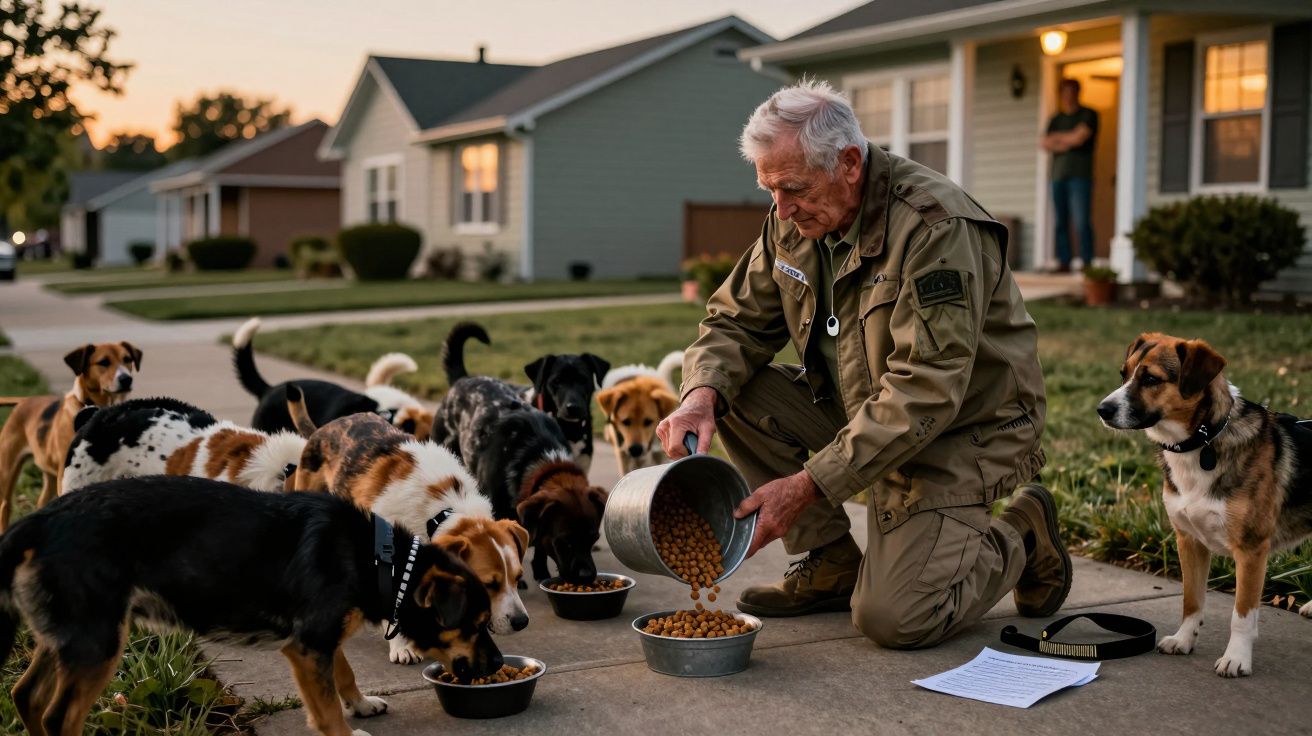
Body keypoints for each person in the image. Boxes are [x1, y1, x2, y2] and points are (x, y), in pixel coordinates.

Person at [656, 80, 1070, 650]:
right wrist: (698, 396)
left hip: (960, 431)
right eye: (769, 190)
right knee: (731, 391)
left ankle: (1021, 533)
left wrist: (805, 485)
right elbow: (735, 323)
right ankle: (830, 563)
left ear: (849, 163)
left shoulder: (934, 229)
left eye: (793, 188)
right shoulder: (794, 218)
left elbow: (925, 390)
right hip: (863, 408)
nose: (780, 209)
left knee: (895, 620)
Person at [1041, 78, 1098, 273]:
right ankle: (1064, 261)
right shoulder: (1055, 119)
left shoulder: (1088, 114)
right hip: (1058, 176)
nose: (1067, 96)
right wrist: (1068, 140)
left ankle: (1087, 261)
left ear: (1077, 93)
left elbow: (1080, 138)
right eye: (1064, 92)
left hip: (1080, 176)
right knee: (1061, 220)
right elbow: (1045, 143)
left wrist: (1060, 139)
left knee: (1081, 220)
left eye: (1071, 92)